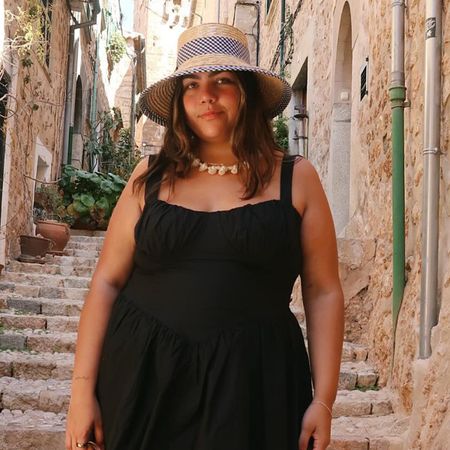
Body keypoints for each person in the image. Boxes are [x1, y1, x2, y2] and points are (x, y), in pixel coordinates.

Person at [66, 23, 344, 450]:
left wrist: (323, 401)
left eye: (222, 81)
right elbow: (106, 282)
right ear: (179, 101)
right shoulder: (150, 177)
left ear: (246, 92)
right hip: (144, 378)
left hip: (255, 386)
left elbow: (323, 291)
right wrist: (82, 392)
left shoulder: (296, 178)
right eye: (191, 84)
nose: (206, 95)